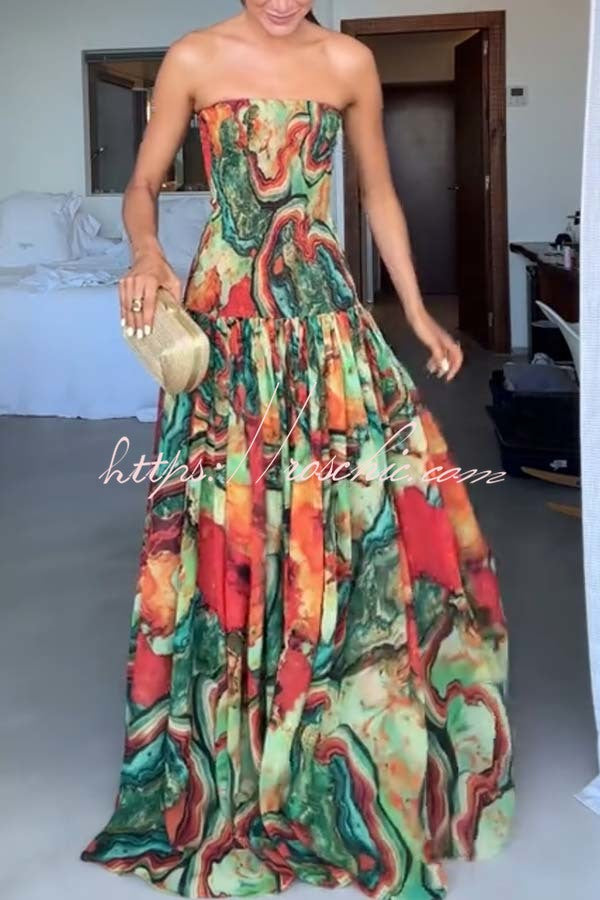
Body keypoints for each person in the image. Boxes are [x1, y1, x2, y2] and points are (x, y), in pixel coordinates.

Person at [80, 3, 515, 899]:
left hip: (322, 312)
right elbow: (144, 183)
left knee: (366, 510)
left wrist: (417, 311)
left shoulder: (349, 62)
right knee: (232, 527)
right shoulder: (194, 57)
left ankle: (330, 736)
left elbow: (378, 193)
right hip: (226, 323)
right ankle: (235, 747)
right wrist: (148, 253)